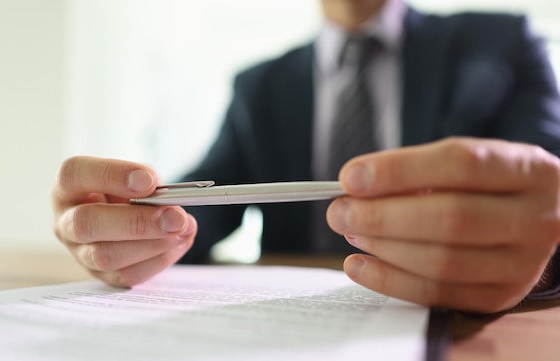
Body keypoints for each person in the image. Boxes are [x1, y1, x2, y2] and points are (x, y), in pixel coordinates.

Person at [52, 0, 560, 314]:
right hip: (294, 326)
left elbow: (545, 189)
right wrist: (129, 222)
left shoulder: (503, 42)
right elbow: (204, 207)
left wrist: (544, 259)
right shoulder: (259, 86)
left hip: (463, 327)